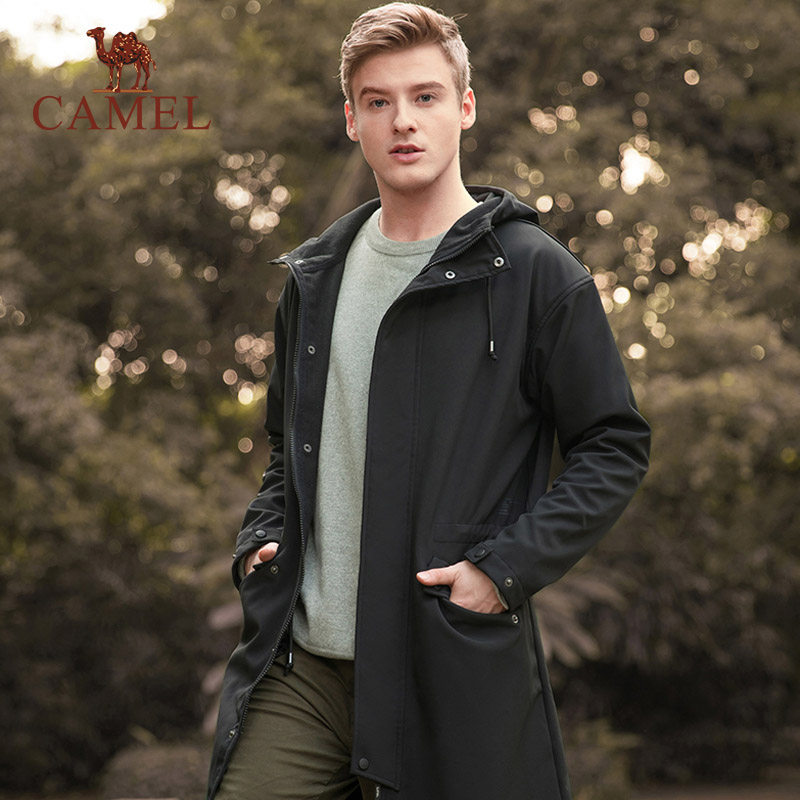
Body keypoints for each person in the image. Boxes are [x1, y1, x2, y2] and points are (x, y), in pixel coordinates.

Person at [207, 3, 650, 799]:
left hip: (442, 662)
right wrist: (263, 534)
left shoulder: (536, 274)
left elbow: (613, 445)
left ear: (465, 107)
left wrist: (501, 570)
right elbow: (288, 445)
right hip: (302, 664)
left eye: (425, 96)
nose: (402, 121)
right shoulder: (315, 278)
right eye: (378, 101)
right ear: (352, 119)